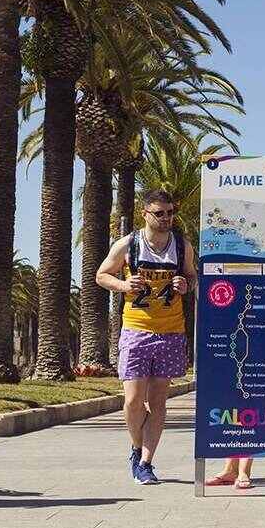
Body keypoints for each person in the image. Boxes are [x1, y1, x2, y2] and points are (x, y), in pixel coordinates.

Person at [95, 188, 196, 486]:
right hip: (136, 329)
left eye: (170, 213)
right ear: (145, 214)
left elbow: (192, 276)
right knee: (133, 401)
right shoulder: (128, 245)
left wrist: (185, 285)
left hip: (171, 331)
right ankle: (136, 448)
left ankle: (146, 463)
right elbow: (101, 275)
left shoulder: (182, 246)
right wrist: (124, 285)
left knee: (159, 401)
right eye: (159, 213)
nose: (166, 219)